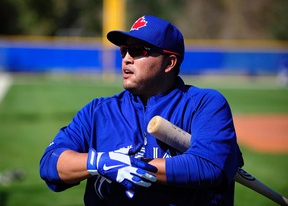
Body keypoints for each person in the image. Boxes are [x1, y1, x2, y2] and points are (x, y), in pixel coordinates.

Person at [40, 15, 244, 206]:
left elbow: (208, 165)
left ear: (169, 63)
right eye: (124, 50)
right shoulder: (99, 112)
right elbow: (51, 162)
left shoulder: (204, 104)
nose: (126, 58)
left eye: (138, 50)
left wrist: (132, 165)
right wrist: (98, 161)